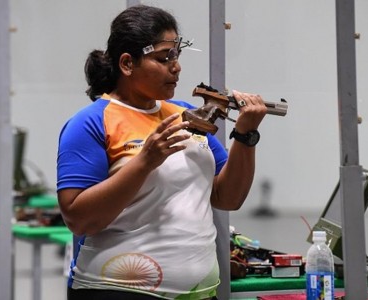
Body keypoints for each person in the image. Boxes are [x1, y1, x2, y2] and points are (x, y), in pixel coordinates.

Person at [57, 4, 267, 300]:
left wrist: (245, 135)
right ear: (127, 64)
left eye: (177, 55)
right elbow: (79, 219)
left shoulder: (184, 114)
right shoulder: (91, 122)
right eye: (163, 58)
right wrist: (145, 161)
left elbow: (227, 197)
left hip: (199, 294)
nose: (176, 67)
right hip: (117, 292)